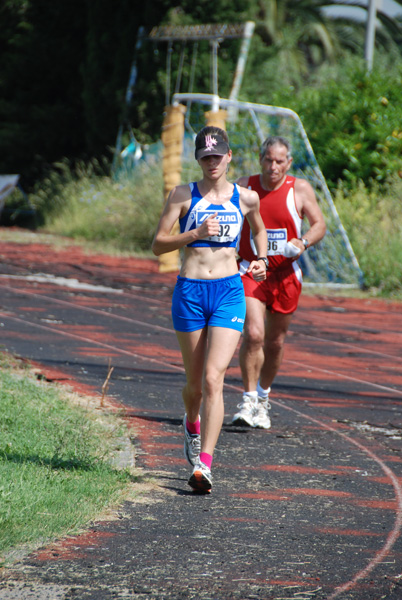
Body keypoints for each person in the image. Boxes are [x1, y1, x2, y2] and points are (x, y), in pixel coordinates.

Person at [152, 125, 268, 494]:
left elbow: (259, 231)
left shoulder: (247, 197)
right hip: (190, 291)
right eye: (205, 157)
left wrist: (262, 259)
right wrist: (194, 234)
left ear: (229, 156)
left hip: (229, 291)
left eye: (217, 156)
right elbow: (157, 244)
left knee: (215, 379)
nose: (211, 162)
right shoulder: (183, 195)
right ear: (198, 159)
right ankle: (191, 422)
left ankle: (205, 463)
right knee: (195, 385)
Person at [232, 135, 326, 429]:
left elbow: (319, 224)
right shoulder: (244, 186)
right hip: (251, 270)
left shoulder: (299, 188)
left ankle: (263, 398)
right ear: (260, 159)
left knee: (274, 342)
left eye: (279, 161)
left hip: (286, 276)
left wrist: (303, 241)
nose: (273, 167)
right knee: (255, 334)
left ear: (289, 162)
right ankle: (247, 401)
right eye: (268, 160)